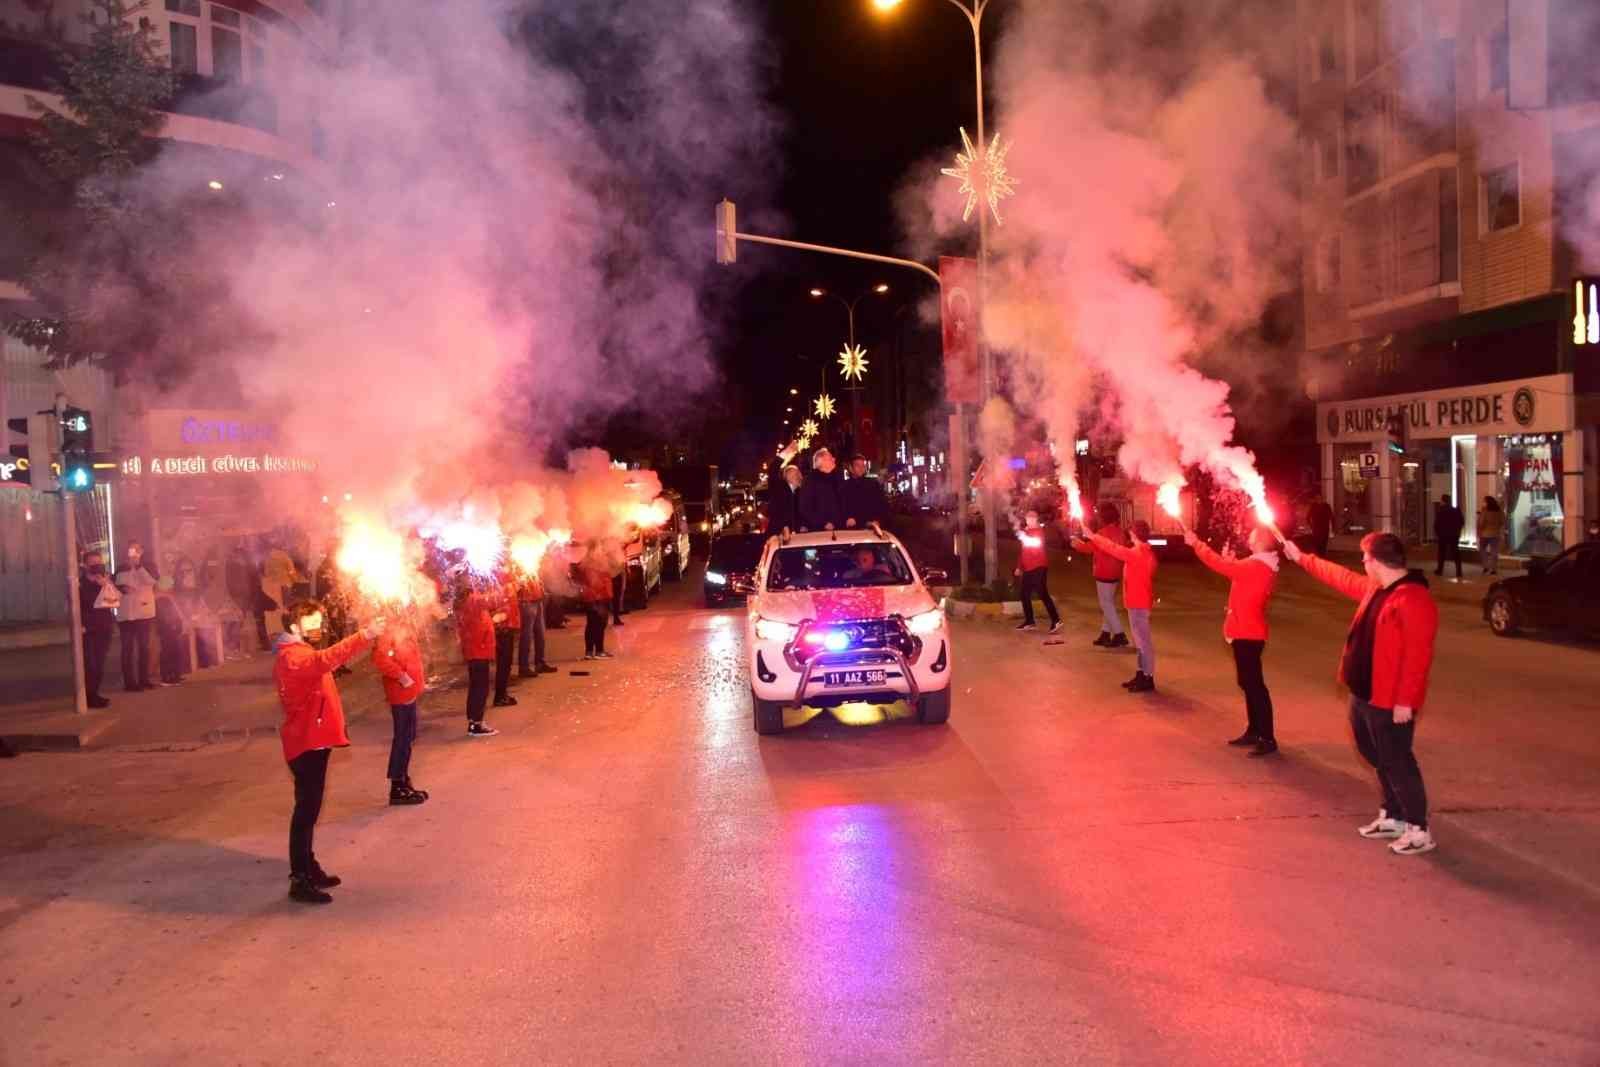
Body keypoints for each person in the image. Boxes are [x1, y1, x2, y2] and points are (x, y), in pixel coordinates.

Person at [1284, 533, 1440, 855]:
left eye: (1365, 558)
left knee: (1397, 761)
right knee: (1375, 756)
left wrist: (1405, 702)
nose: (1362, 563)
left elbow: (1418, 658)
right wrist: (1301, 558)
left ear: (1379, 561)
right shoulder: (1376, 589)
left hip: (1389, 700)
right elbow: (1339, 577)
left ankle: (1418, 828)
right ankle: (1393, 814)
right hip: (1362, 693)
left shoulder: (1413, 599)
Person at [274, 599, 384, 903]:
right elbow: (328, 658)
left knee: (309, 810)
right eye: (310, 623)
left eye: (319, 622)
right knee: (306, 813)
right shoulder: (293, 658)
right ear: (294, 626)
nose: (317, 628)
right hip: (306, 744)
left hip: (313, 741)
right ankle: (300, 878)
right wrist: (365, 635)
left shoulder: (300, 652)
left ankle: (308, 866)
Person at [1185, 524, 1282, 756]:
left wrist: (1196, 543)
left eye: (1252, 534)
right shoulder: (1259, 564)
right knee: (1248, 683)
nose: (1248, 536)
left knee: (1254, 686)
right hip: (1246, 630)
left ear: (1260, 542)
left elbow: (1220, 566)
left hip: (1248, 632)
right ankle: (1255, 730)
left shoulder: (1257, 566)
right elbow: (1235, 572)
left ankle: (1267, 737)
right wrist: (1229, 561)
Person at [1089, 520, 1159, 692]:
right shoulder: (1147, 552)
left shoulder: (1137, 553)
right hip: (1140, 602)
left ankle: (1147, 678)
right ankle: (1141, 674)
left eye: (1131, 531)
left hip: (1138, 604)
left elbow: (1113, 548)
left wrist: (1093, 537)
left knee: (1143, 643)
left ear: (1134, 534)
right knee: (1140, 642)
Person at [372, 616, 429, 806]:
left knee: (409, 737)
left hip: (409, 689)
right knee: (403, 738)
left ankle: (403, 780)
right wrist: (401, 675)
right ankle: (397, 785)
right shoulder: (388, 631)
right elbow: (381, 660)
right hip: (400, 691)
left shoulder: (403, 625)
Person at [1070, 504, 1128, 648]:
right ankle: (1105, 633)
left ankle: (1120, 634)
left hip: (1103, 571)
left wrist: (1077, 544)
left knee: (1106, 605)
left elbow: (1089, 548)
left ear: (1103, 518)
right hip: (1115, 572)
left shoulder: (1102, 533)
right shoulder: (1120, 532)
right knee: (1108, 603)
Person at [455, 582, 499, 738]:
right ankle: (476, 724)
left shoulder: (467, 602)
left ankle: (475, 721)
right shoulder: (472, 600)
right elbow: (494, 600)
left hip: (476, 650)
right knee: (480, 689)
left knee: (477, 688)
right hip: (478, 651)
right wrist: (512, 585)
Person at [114, 541, 157, 692]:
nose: (133, 552)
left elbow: (151, 581)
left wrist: (138, 565)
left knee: (144, 648)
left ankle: (144, 679)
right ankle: (129, 683)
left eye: (137, 549)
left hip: (143, 614)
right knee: (127, 649)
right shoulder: (120, 567)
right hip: (126, 614)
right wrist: (121, 588)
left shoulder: (149, 565)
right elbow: (113, 586)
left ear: (142, 551)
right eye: (131, 549)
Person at [78, 550, 118, 709]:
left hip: (104, 627)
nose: (97, 566)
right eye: (93, 563)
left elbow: (114, 601)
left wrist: (106, 585)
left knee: (100, 663)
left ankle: (94, 694)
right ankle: (88, 696)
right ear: (85, 565)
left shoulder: (105, 581)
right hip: (89, 629)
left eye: (99, 563)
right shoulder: (81, 584)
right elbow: (86, 604)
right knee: (91, 664)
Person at [1013, 510, 1060, 634]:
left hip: (1039, 567)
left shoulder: (1039, 532)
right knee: (1024, 594)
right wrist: (1019, 567)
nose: (1029, 520)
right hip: (1028, 569)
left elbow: (1035, 550)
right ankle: (1030, 621)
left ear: (1036, 520)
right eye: (1028, 518)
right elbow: (1023, 552)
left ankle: (1056, 620)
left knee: (1042, 593)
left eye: (1032, 518)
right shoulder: (1027, 533)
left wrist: (1025, 536)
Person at [517, 570, 556, 678]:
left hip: (537, 600)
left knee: (541, 634)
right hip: (526, 601)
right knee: (526, 636)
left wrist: (541, 589)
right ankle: (523, 667)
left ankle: (540, 663)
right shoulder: (516, 563)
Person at [579, 544, 614, 660]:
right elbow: (595, 581)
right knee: (598, 624)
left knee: (594, 624)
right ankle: (598, 651)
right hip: (597, 597)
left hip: (596, 597)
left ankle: (590, 652)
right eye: (599, 547)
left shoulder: (593, 561)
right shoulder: (592, 563)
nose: (601, 549)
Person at [798, 447, 844, 532]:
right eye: (830, 458)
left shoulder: (837, 478)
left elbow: (843, 503)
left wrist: (836, 522)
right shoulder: (810, 480)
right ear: (820, 461)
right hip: (818, 531)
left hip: (838, 529)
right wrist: (823, 523)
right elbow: (805, 507)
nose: (834, 459)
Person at [492, 572, 520, 708]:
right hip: (503, 629)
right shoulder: (501, 586)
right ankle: (500, 696)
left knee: (506, 663)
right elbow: (502, 608)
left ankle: (502, 694)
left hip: (507, 627)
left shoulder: (506, 586)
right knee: (504, 663)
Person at [840, 454, 890, 530]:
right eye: (858, 466)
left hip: (872, 528)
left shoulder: (873, 485)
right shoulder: (844, 487)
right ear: (851, 468)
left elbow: (882, 505)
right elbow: (842, 508)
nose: (861, 468)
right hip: (852, 530)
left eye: (863, 466)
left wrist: (878, 520)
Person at [1433, 495, 1464, 579]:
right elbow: (1461, 522)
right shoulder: (1456, 510)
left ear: (1443, 501)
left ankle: (1440, 570)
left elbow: (1436, 524)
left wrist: (1438, 533)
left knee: (1442, 553)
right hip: (1454, 534)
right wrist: (1457, 531)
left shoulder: (1440, 511)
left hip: (1443, 535)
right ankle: (1459, 571)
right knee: (1455, 552)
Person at [1476, 496, 1505, 576]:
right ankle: (1494, 568)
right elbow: (1503, 521)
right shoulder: (1500, 511)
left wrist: (1480, 515)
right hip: (1496, 534)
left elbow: (1481, 523)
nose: (1483, 503)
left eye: (1484, 501)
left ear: (1487, 502)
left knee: (1482, 549)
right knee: (1494, 552)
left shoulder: (1485, 511)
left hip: (1485, 534)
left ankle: (1486, 566)